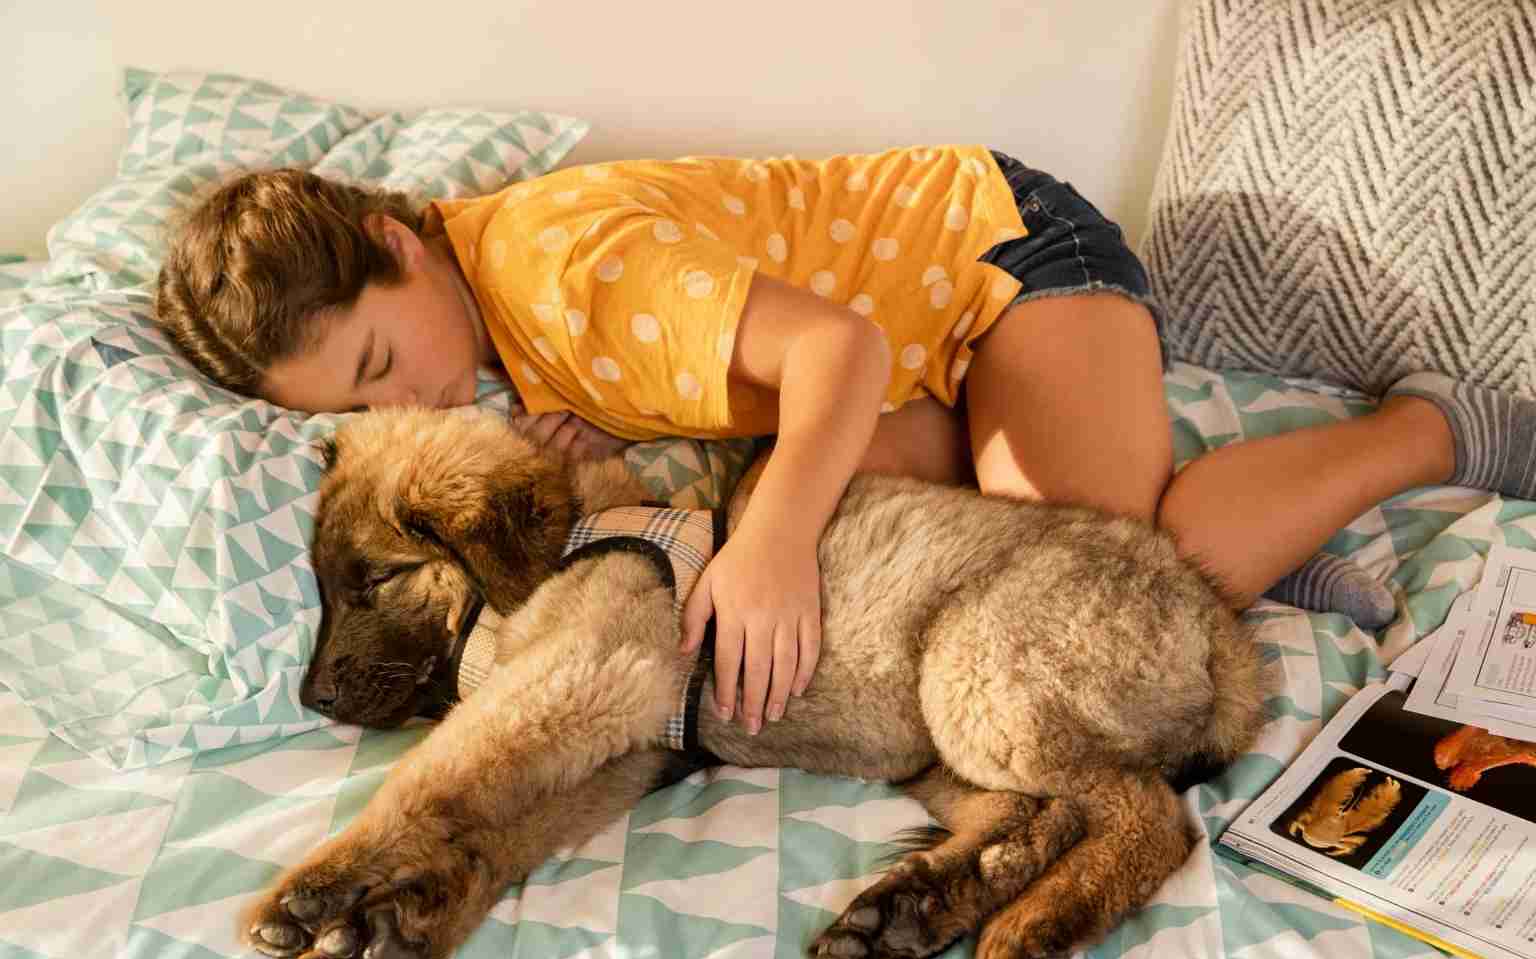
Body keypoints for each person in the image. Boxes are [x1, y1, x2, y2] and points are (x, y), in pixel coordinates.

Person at [156, 149, 1526, 740]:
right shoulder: (489, 306)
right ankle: (1258, 521)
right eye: (351, 411)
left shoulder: (565, 270)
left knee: (1123, 565)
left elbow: (839, 353)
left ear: (397, 243)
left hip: (1001, 261)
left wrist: (770, 549)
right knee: (901, 549)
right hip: (911, 352)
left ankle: (1426, 426)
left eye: (383, 365)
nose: (398, 409)